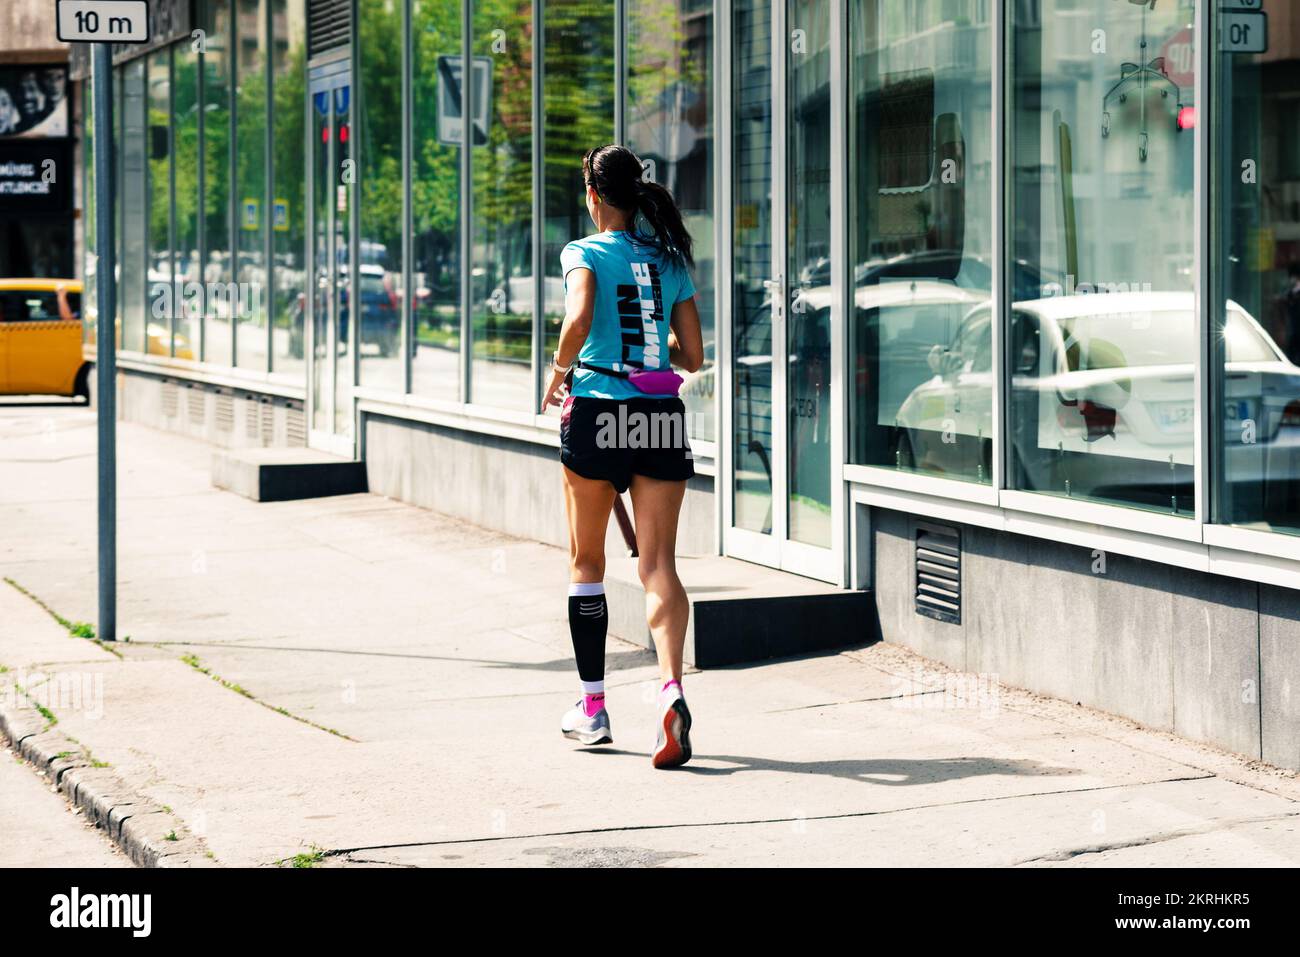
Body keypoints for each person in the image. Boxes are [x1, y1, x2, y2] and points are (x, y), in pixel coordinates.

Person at [541, 145, 704, 770]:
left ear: (592, 196)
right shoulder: (669, 260)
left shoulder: (583, 251)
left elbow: (579, 318)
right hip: (660, 414)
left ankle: (593, 708)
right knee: (659, 564)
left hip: (597, 409)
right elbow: (692, 356)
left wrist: (557, 375)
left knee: (587, 561)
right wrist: (649, 339)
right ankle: (671, 690)